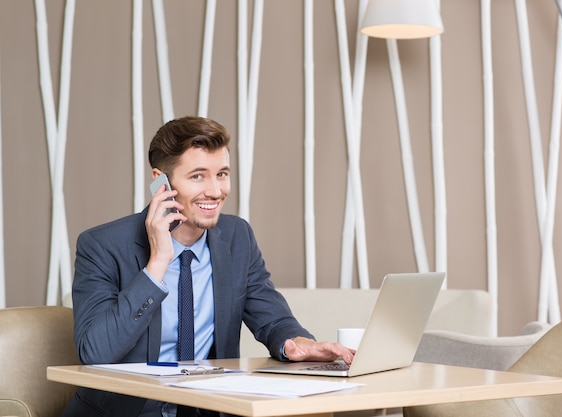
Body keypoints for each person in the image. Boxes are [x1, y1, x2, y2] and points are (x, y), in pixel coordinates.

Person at [60, 116, 354, 417]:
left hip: (210, 409)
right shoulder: (102, 245)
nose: (215, 191)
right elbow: (95, 352)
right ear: (161, 182)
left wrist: (298, 343)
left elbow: (273, 320)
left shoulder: (237, 237)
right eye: (198, 176)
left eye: (222, 174)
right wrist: (158, 262)